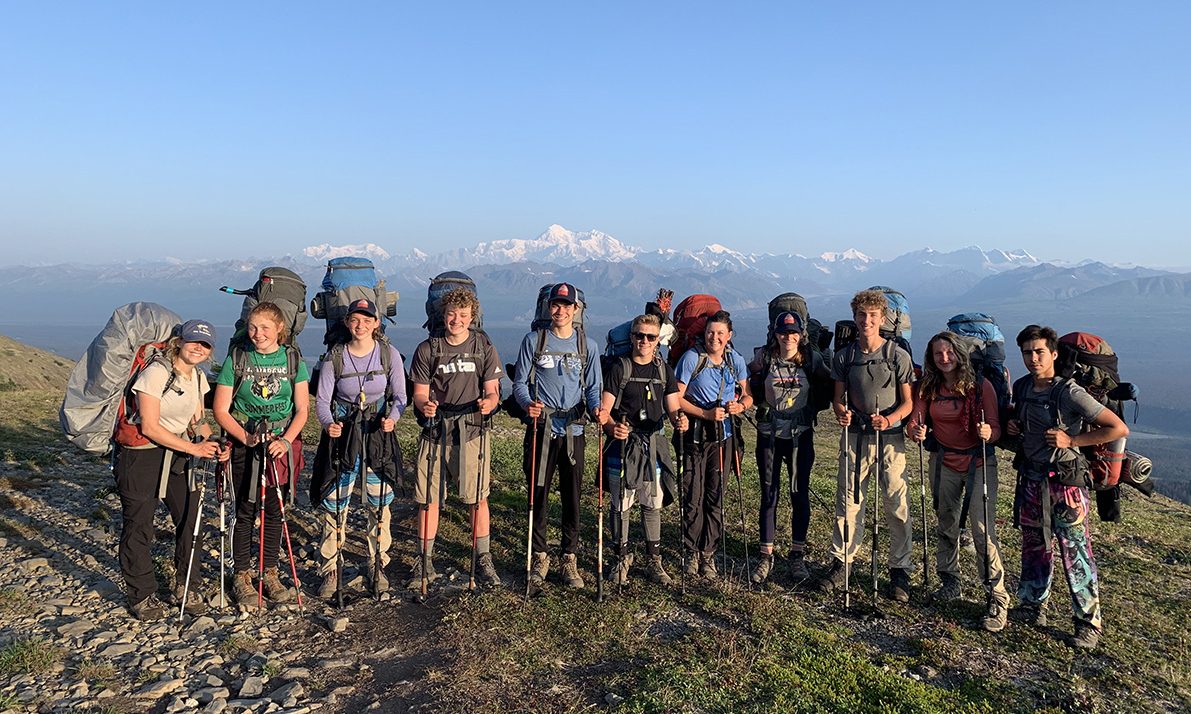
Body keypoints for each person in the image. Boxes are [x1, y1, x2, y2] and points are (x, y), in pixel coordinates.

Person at [1006, 325, 1128, 649]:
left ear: (1054, 354)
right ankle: (1032, 605)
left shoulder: (1069, 392)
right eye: (1027, 352)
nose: (1033, 358)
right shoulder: (1021, 388)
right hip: (1031, 479)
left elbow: (1117, 428)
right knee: (1034, 545)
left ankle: (1088, 622)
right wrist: (1014, 424)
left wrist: (1072, 439)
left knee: (1075, 551)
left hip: (1066, 484)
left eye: (1039, 352)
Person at [116, 319, 228, 620]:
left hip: (177, 455)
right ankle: (141, 593)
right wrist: (194, 449)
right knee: (140, 524)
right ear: (178, 341)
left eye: (205, 345)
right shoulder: (155, 373)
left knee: (191, 519)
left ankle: (186, 584)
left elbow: (195, 422)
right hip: (140, 455)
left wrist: (212, 442)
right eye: (193, 341)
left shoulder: (197, 377)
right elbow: (150, 426)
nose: (199, 348)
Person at [907, 331, 1009, 631]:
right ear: (931, 358)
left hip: (979, 461)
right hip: (944, 461)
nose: (944, 358)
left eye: (949, 353)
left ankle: (997, 596)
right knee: (946, 522)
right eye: (938, 354)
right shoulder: (929, 386)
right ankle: (949, 581)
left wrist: (989, 433)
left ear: (960, 354)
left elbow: (997, 428)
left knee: (981, 530)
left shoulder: (981, 387)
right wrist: (916, 430)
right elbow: (917, 418)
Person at [819, 289, 916, 602]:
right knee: (848, 502)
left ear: (883, 318)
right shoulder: (846, 356)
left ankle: (900, 570)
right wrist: (840, 412)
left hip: (889, 439)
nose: (866, 321)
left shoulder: (897, 356)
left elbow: (907, 404)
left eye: (873, 316)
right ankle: (842, 562)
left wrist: (889, 421)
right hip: (856, 437)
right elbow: (837, 398)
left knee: (896, 503)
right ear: (855, 316)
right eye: (861, 315)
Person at [213, 302, 309, 611]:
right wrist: (245, 438)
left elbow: (302, 409)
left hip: (280, 441)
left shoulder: (293, 360)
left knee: (274, 510)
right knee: (245, 508)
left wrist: (286, 441)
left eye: (265, 328)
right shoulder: (237, 358)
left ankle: (269, 572)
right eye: (253, 327)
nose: (257, 334)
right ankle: (241, 575)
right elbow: (220, 408)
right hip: (245, 440)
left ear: (280, 328)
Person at [512, 282, 606, 589]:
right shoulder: (534, 340)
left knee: (572, 495)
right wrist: (528, 405)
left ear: (576, 309)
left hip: (574, 427)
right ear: (547, 307)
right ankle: (540, 554)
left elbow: (593, 387)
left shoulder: (587, 346)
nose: (560, 310)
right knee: (537, 492)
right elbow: (520, 384)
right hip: (541, 427)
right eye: (556, 305)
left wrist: (596, 410)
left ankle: (569, 556)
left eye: (567, 306)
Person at [312, 298, 407, 596]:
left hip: (377, 432)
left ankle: (377, 561)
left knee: (379, 501)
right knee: (335, 500)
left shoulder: (389, 355)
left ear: (377, 324)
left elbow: (400, 397)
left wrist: (392, 418)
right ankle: (330, 567)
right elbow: (322, 403)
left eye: (367, 319)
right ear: (347, 322)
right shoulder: (334, 358)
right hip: (344, 433)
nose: (361, 324)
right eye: (355, 319)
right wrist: (329, 425)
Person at [408, 289, 502, 588]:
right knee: (428, 499)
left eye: (463, 315)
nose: (456, 320)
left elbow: (493, 389)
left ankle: (483, 557)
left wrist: (490, 401)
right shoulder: (428, 349)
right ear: (442, 315)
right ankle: (424, 560)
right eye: (451, 314)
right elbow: (419, 394)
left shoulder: (483, 346)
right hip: (435, 429)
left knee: (477, 498)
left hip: (472, 428)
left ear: (472, 317)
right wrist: (425, 406)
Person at [599, 313, 688, 586]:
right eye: (639, 335)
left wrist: (679, 420)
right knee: (621, 504)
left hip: (653, 445)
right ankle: (620, 557)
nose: (644, 341)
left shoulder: (664, 371)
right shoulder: (620, 368)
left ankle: (654, 559)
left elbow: (673, 408)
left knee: (652, 503)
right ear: (632, 337)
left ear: (657, 341)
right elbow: (604, 411)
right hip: (624, 445)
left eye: (650, 337)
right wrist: (613, 427)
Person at [747, 311, 829, 585]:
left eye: (793, 333)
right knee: (769, 494)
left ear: (802, 334)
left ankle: (797, 555)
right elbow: (745, 379)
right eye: (783, 332)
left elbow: (830, 385)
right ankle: (766, 555)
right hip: (769, 436)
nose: (788, 337)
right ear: (775, 334)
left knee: (799, 494)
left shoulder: (812, 360)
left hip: (800, 436)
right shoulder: (765, 358)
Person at [674, 310, 753, 579]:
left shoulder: (735, 360)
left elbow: (748, 395)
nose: (714, 338)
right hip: (696, 435)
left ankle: (708, 552)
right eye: (710, 332)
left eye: (720, 333)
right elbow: (676, 398)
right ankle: (691, 552)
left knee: (715, 496)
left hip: (724, 437)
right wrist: (705, 414)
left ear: (729, 336)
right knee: (692, 495)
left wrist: (739, 405)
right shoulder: (691, 359)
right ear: (703, 333)